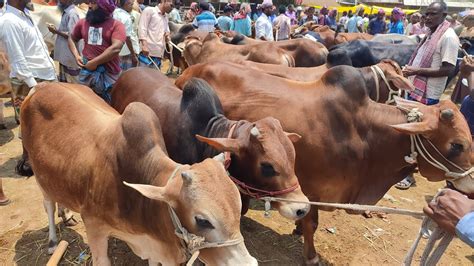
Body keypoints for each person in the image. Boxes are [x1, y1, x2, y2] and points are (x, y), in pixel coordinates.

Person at [398, 1, 459, 189]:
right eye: (427, 14)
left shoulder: (448, 37)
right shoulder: (431, 34)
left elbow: (448, 69)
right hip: (415, 89)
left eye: (433, 14)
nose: (428, 17)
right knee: (409, 130)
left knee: (417, 134)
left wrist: (416, 70)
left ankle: (409, 175)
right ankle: (402, 168)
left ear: (443, 16)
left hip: (427, 94)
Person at [0, 0, 57, 121]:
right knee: (34, 128)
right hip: (32, 81)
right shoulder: (9, 21)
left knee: (48, 125)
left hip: (43, 77)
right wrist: (35, 87)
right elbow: (17, 59)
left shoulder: (25, 15)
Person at [69, 0, 126, 103]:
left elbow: (116, 48)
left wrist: (95, 62)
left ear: (105, 6)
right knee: (84, 104)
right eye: (89, 2)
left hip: (109, 74)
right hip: (87, 73)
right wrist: (76, 55)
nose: (89, 6)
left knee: (109, 107)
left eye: (94, 3)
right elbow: (72, 38)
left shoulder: (117, 25)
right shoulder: (83, 22)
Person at [47, 0, 81, 83]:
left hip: (70, 57)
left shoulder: (72, 14)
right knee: (65, 85)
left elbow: (73, 35)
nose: (59, 1)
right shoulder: (66, 12)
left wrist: (56, 31)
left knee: (74, 86)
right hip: (65, 57)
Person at [138, 0, 173, 70]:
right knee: (144, 77)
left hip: (158, 54)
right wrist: (144, 45)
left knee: (155, 78)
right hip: (147, 53)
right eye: (171, 5)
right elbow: (142, 27)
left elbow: (167, 32)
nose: (172, 8)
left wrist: (167, 36)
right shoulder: (149, 11)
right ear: (164, 1)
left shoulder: (165, 17)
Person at [114, 0, 138, 70]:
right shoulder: (127, 17)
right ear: (126, 4)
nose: (132, 7)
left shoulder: (113, 13)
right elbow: (127, 38)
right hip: (124, 52)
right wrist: (133, 54)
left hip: (113, 51)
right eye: (131, 4)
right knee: (126, 75)